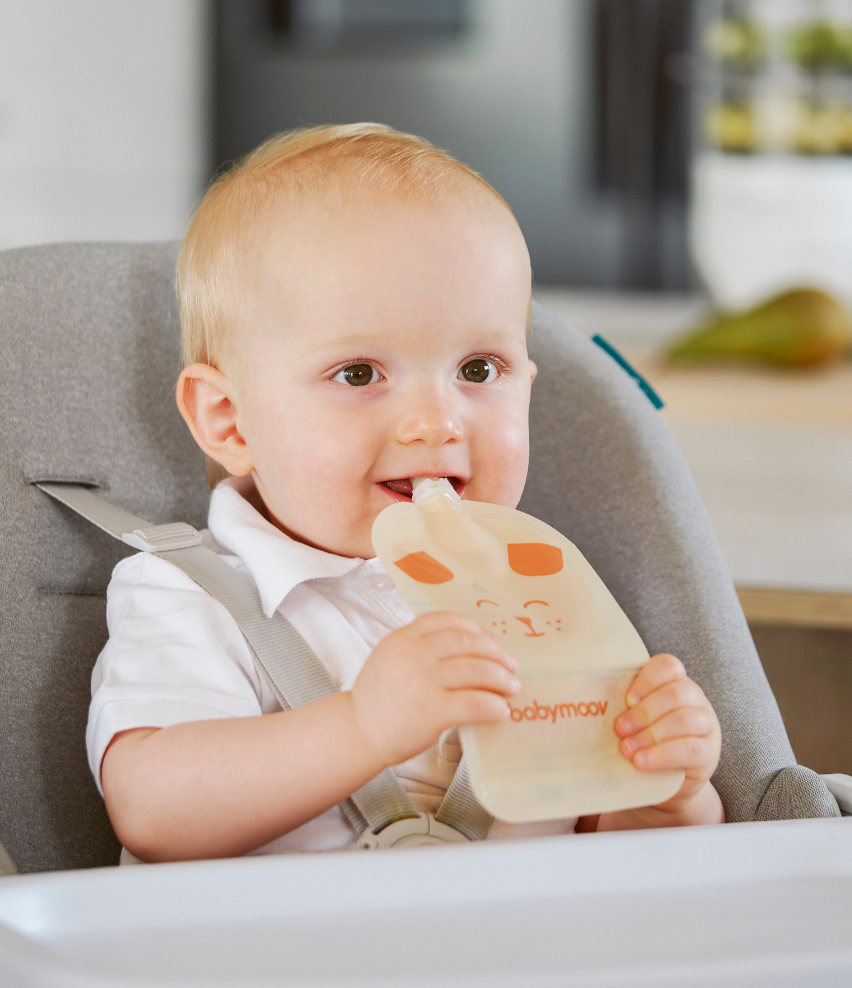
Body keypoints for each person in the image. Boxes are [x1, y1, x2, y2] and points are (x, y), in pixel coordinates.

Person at [89, 124, 723, 863]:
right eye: (359, 374)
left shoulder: (540, 602)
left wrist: (662, 794)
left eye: (478, 370)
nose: (436, 422)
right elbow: (153, 811)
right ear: (229, 419)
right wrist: (363, 725)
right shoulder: (192, 596)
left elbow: (604, 852)